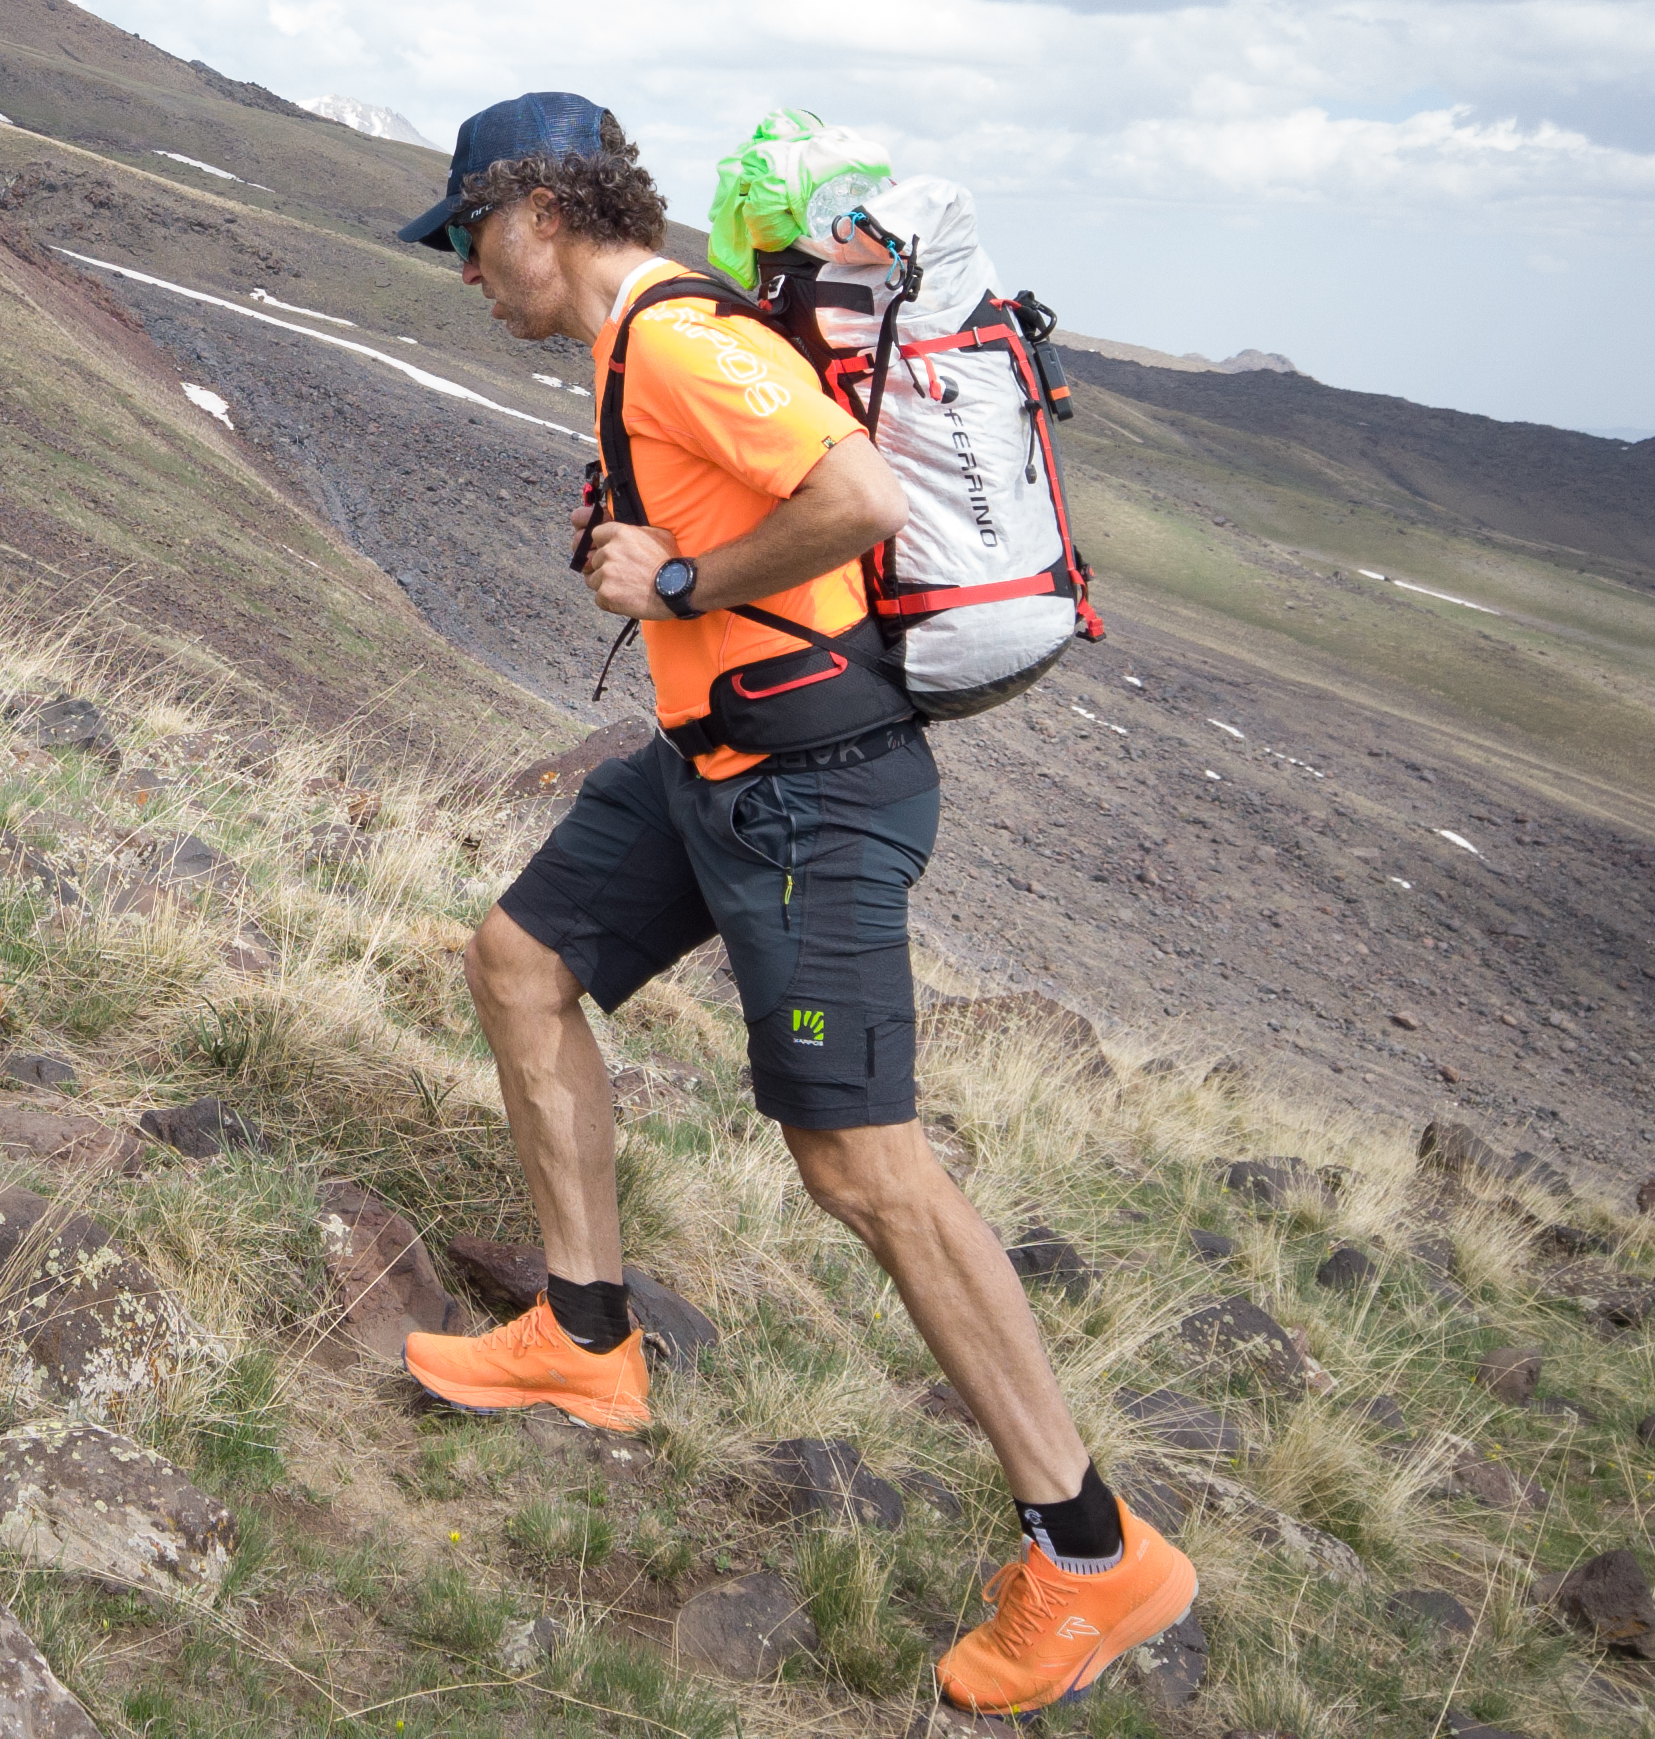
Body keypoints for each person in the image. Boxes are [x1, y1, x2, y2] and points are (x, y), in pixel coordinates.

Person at [386, 93, 1194, 1719]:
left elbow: (862, 501)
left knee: (862, 1166)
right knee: (520, 960)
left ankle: (1095, 1555)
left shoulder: (681, 340)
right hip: (711, 765)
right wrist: (663, 549)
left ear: (543, 209)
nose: (466, 268)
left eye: (471, 232)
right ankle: (588, 1337)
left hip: (811, 792)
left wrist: (679, 581)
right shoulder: (635, 356)